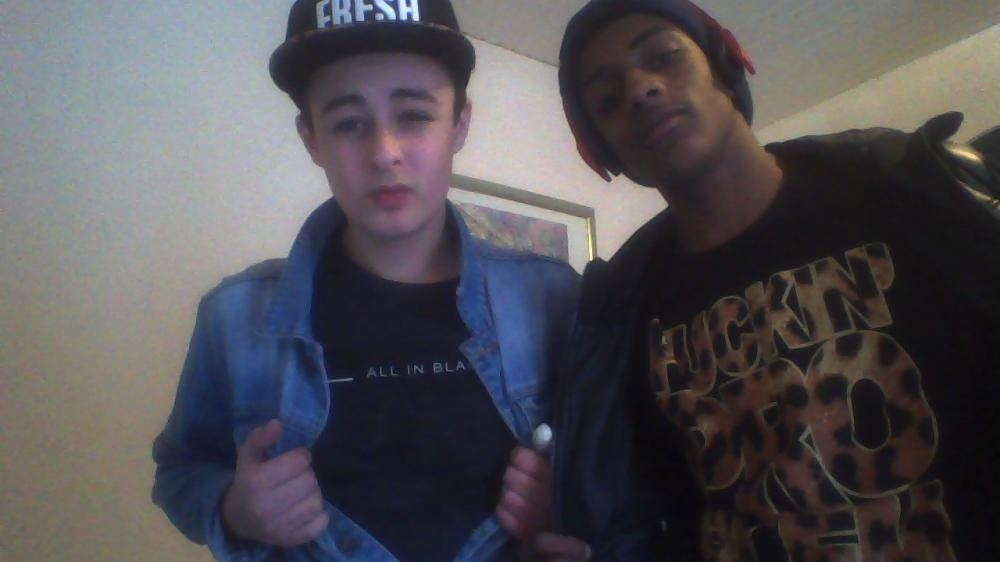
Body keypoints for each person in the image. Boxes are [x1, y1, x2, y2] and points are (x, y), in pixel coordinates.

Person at [548, 0, 1000, 560]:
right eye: (608, 99)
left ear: (725, 68)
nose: (639, 90)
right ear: (602, 148)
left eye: (663, 57)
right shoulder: (623, 312)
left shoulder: (904, 191)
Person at [151, 1, 580, 560]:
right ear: (311, 138)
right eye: (349, 124)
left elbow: (621, 469)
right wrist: (234, 508)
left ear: (459, 125)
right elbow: (179, 469)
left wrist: (568, 496)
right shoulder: (233, 318)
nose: (384, 153)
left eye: (414, 115)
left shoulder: (552, 300)